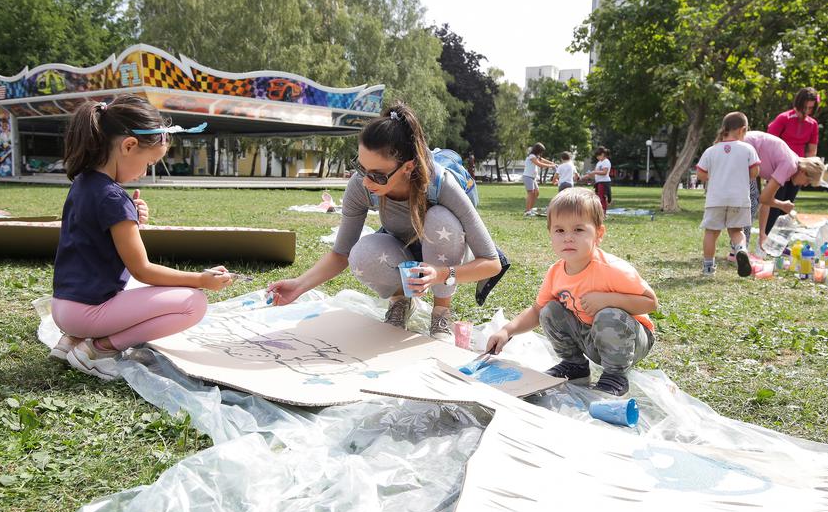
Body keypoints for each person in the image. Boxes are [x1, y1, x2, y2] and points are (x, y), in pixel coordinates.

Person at [266, 102, 503, 340]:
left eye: (377, 175)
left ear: (407, 167)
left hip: (448, 256)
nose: (366, 181)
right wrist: (297, 286)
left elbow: (492, 263)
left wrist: (441, 274)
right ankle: (400, 302)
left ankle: (441, 311)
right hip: (404, 252)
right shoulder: (361, 185)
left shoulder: (441, 184)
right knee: (362, 253)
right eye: (360, 167)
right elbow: (341, 254)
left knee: (440, 219)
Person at [50, 96, 232, 380]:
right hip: (87, 313)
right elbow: (143, 270)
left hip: (63, 307)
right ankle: (98, 349)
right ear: (129, 146)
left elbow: (94, 238)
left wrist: (130, 217)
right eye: (149, 162)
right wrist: (200, 280)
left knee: (137, 286)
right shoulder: (113, 197)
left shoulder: (84, 183)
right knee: (194, 303)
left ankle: (70, 340)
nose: (146, 172)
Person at [485, 188, 657, 396]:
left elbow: (650, 303)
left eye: (578, 230)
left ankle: (615, 375)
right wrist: (506, 331)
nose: (568, 238)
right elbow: (537, 311)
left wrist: (608, 299)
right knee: (549, 310)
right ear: (550, 234)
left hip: (631, 339)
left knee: (607, 315)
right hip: (590, 335)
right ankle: (575, 366)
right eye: (559, 230)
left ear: (598, 234)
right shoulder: (556, 272)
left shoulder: (612, 269)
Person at [696, 112, 760, 276]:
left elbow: (701, 174)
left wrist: (716, 176)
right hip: (739, 199)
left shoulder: (711, 151)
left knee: (711, 232)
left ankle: (709, 268)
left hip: (716, 199)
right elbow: (755, 172)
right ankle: (740, 249)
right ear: (742, 130)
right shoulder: (747, 149)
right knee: (736, 231)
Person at [744, 130, 827, 248]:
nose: (804, 185)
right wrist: (782, 205)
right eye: (808, 181)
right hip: (744, 148)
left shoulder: (792, 163)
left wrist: (762, 233)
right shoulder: (790, 166)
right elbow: (764, 199)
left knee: (749, 201)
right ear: (803, 172)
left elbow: (767, 201)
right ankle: (740, 249)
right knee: (751, 202)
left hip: (745, 148)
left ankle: (739, 247)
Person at [768, 88, 821, 158]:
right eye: (804, 107)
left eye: (810, 108)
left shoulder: (813, 124)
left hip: (801, 164)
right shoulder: (783, 118)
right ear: (799, 104)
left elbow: (811, 152)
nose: (807, 111)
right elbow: (768, 143)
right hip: (779, 160)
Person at [522, 143, 558, 215]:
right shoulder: (531, 156)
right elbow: (539, 164)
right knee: (531, 193)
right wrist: (551, 166)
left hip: (533, 178)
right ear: (537, 150)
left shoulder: (536, 156)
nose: (541, 153)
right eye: (541, 151)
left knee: (536, 193)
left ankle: (530, 209)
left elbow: (543, 160)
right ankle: (527, 210)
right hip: (528, 177)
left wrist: (553, 163)